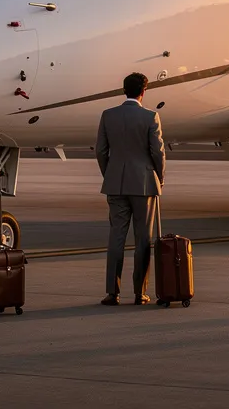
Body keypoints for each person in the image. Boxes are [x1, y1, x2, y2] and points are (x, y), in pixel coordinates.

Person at [95, 72, 165, 305]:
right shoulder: (150, 117)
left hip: (116, 183)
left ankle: (112, 293)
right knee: (143, 239)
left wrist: (111, 173)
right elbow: (157, 152)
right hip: (144, 184)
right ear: (143, 92)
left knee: (116, 237)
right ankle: (139, 292)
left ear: (123, 90)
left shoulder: (108, 116)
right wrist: (159, 178)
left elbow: (101, 151)